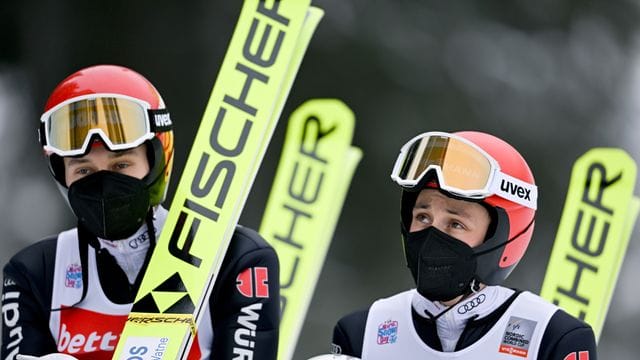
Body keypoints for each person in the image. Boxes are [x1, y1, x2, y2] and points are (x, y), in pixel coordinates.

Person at [1, 64, 280, 359]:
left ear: (156, 163)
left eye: (121, 165)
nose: (103, 185)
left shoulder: (235, 258)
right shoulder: (36, 272)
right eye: (84, 170)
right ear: (62, 176)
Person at [329, 131, 597, 359]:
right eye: (423, 217)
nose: (432, 236)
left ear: (502, 236)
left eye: (455, 224)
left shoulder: (553, 338)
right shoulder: (363, 332)